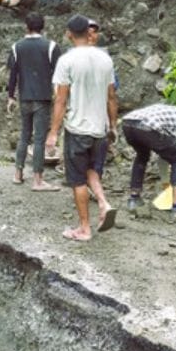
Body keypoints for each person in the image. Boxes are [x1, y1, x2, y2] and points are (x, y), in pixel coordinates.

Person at [47, 14, 118, 242]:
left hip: (77, 129)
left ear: (69, 34)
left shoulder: (66, 61)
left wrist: (53, 132)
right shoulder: (105, 59)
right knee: (92, 171)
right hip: (100, 128)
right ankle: (104, 203)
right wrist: (113, 125)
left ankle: (84, 228)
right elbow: (111, 96)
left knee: (77, 179)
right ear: (89, 33)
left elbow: (60, 99)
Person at [6, 12, 61, 191]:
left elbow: (13, 74)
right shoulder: (51, 46)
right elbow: (58, 74)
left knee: (24, 135)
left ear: (26, 27)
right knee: (39, 139)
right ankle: (38, 180)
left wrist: (11, 97)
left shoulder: (16, 47)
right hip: (43, 98)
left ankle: (18, 174)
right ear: (43, 26)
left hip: (24, 97)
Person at [122, 103, 176, 215]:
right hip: (147, 124)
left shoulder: (175, 122)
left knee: (142, 155)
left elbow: (164, 156)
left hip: (128, 122)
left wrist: (165, 181)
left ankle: (134, 199)